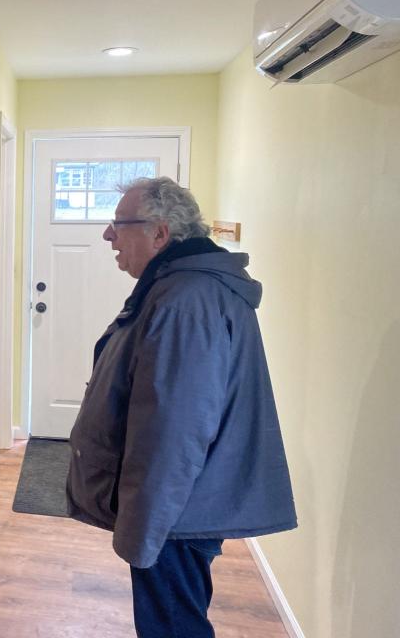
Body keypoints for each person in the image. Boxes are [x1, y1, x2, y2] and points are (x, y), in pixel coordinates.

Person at [66, 177, 296, 638]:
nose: (108, 236)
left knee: (172, 626)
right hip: (183, 504)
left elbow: (174, 431)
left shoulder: (185, 302)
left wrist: (142, 529)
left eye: (119, 224)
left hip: (175, 511)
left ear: (160, 234)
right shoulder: (181, 288)